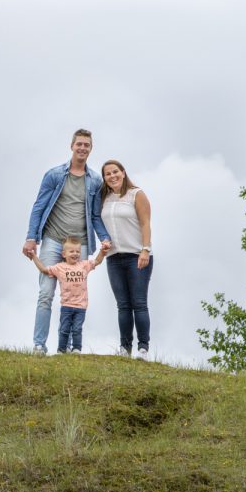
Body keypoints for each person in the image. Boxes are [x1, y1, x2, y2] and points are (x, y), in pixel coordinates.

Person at [22, 129, 111, 354]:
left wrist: (105, 238)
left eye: (86, 145)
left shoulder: (94, 182)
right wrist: (31, 238)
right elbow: (39, 206)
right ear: (72, 146)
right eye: (79, 144)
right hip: (53, 239)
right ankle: (39, 345)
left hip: (79, 244)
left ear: (90, 149)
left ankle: (71, 348)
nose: (82, 148)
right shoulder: (54, 175)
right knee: (46, 293)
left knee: (75, 296)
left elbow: (95, 215)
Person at [100, 160, 153, 361]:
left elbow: (146, 223)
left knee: (138, 303)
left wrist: (145, 250)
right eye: (107, 174)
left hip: (137, 255)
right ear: (104, 178)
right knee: (123, 305)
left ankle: (143, 349)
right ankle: (124, 348)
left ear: (123, 172)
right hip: (114, 257)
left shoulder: (136, 194)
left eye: (115, 172)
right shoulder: (105, 198)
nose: (112, 176)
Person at [28, 236, 106, 354]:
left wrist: (102, 252)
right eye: (72, 251)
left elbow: (97, 261)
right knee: (64, 330)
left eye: (78, 251)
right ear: (64, 254)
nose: (75, 254)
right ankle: (61, 350)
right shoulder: (59, 267)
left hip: (81, 306)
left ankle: (76, 349)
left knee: (77, 329)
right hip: (66, 306)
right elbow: (44, 269)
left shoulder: (84, 265)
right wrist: (34, 257)